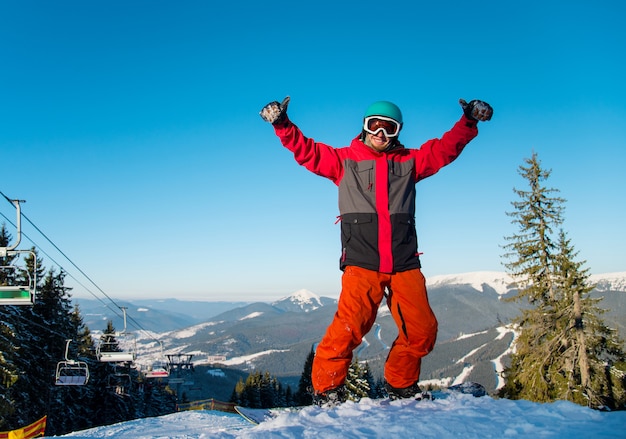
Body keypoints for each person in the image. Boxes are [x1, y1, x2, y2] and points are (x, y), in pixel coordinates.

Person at [259, 96, 493, 406]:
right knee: (348, 329)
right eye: (375, 126)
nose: (380, 133)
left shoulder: (410, 162)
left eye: (389, 128)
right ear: (365, 127)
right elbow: (308, 152)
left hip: (404, 263)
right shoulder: (344, 161)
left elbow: (444, 150)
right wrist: (282, 124)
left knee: (422, 330)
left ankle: (401, 385)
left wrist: (468, 122)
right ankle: (327, 392)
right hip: (362, 262)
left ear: (397, 132)